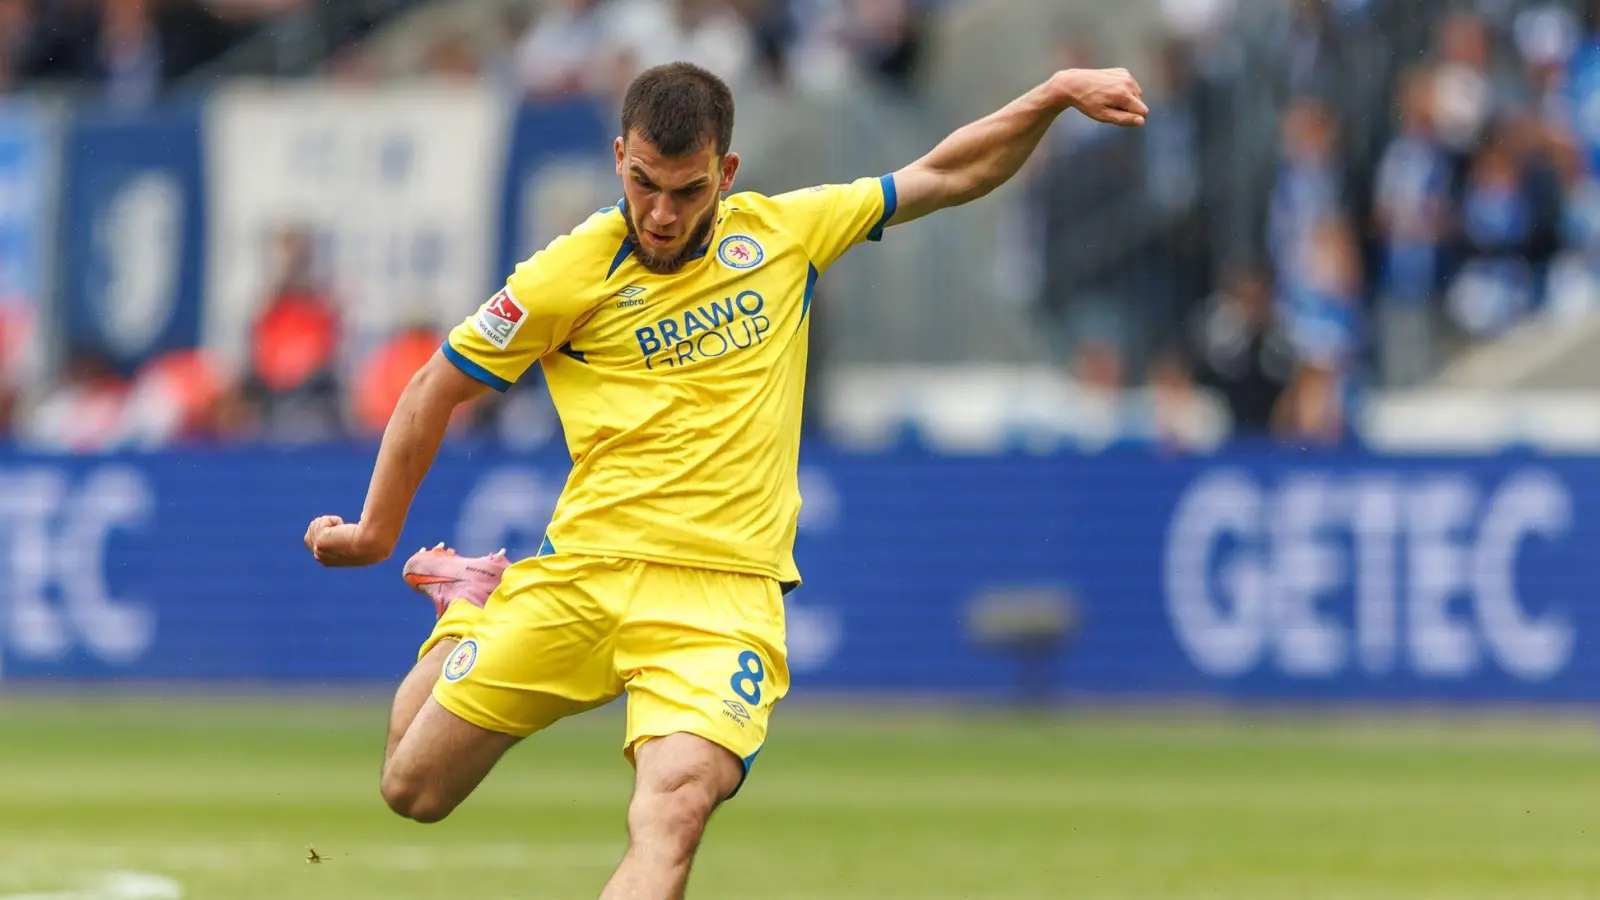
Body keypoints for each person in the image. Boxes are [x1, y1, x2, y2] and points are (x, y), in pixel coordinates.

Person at [302, 60, 1145, 899]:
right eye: (644, 185)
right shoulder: (565, 272)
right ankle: (469, 610)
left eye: (688, 191)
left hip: (721, 603)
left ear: (725, 174)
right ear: (619, 157)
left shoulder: (786, 234)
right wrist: (376, 534)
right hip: (586, 572)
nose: (662, 215)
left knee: (673, 811)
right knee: (412, 790)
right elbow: (432, 389)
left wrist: (1049, 95)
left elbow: (948, 172)